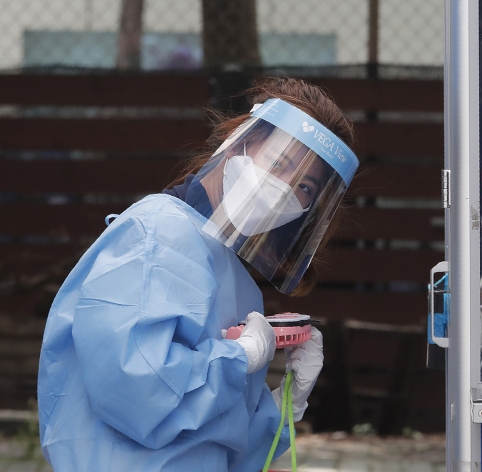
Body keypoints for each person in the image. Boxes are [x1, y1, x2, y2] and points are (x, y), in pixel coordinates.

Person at [37, 78, 358, 471]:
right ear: (241, 141)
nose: (284, 187)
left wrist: (283, 407)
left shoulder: (236, 279)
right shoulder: (157, 230)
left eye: (306, 186)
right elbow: (136, 394)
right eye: (279, 163)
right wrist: (239, 357)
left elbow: (217, 449)